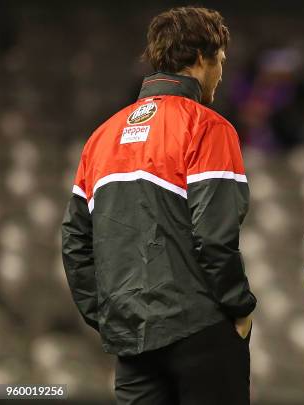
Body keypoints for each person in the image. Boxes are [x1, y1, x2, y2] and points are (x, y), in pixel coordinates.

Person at [61, 7, 256, 405]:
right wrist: (240, 308)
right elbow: (215, 237)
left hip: (131, 338)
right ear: (202, 57)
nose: (221, 72)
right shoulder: (208, 126)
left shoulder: (102, 136)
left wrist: (105, 315)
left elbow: (74, 241)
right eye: (220, 60)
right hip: (201, 330)